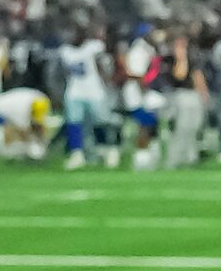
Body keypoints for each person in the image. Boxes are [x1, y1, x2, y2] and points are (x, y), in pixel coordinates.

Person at [58, 22, 116, 169]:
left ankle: (107, 150)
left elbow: (104, 61)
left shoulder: (94, 47)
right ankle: (77, 154)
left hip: (94, 91)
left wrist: (106, 81)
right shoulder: (65, 51)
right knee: (74, 123)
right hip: (74, 91)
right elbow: (62, 73)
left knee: (101, 121)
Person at [160, 29, 212, 168]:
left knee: (194, 127)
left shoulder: (193, 56)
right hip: (179, 94)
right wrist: (181, 58)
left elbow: (197, 75)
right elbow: (180, 75)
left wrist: (203, 92)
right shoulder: (169, 59)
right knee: (181, 128)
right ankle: (174, 159)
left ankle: (190, 158)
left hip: (193, 95)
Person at [121, 22, 163, 170]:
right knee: (145, 123)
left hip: (143, 91)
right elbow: (138, 76)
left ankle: (151, 152)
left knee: (152, 122)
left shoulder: (148, 49)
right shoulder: (138, 51)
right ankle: (141, 155)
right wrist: (145, 93)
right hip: (136, 93)